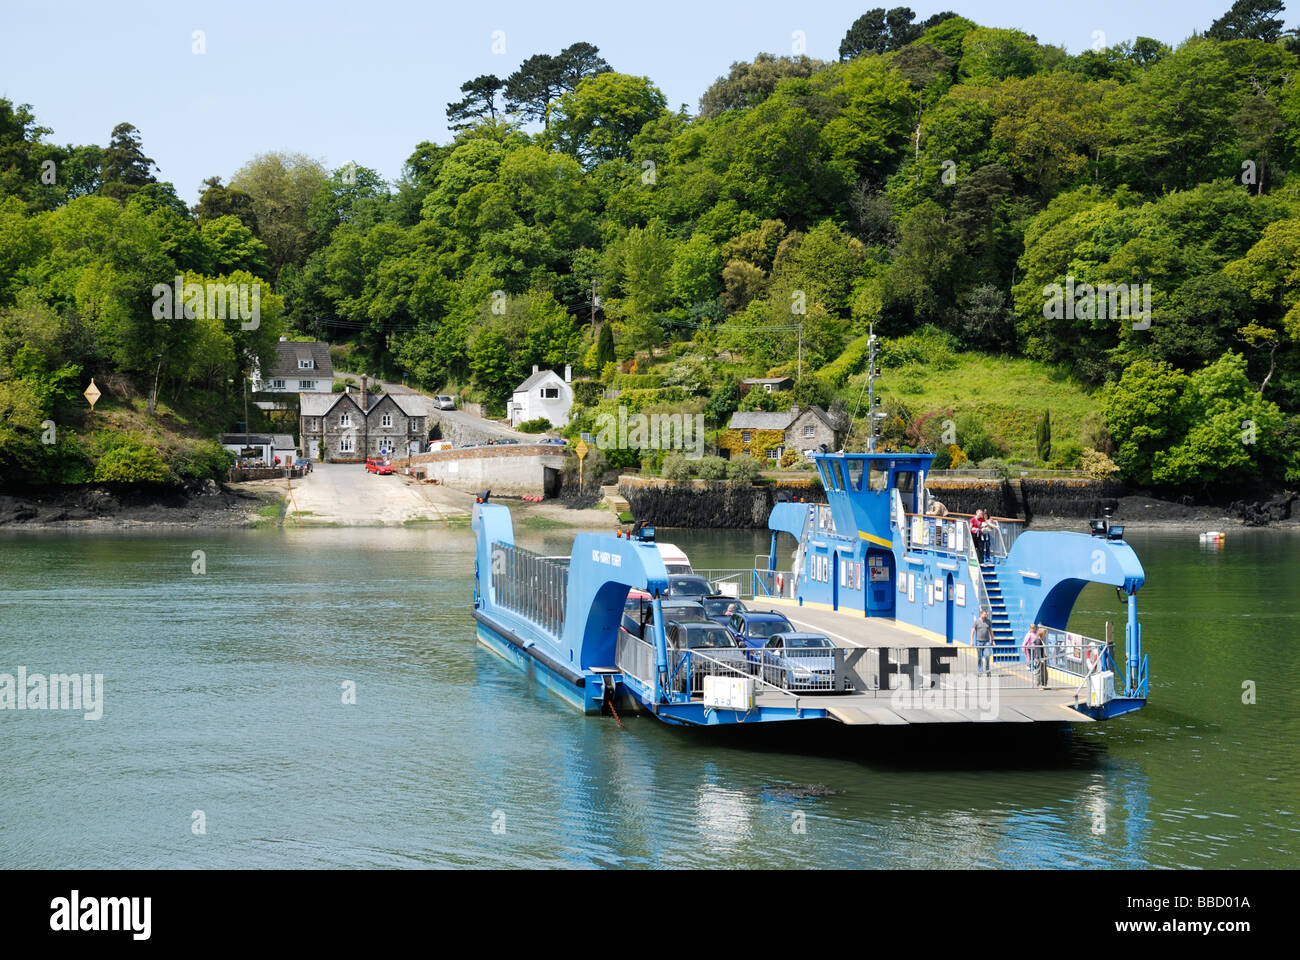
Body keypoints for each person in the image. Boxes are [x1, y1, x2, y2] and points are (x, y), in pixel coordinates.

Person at [971, 609, 994, 677]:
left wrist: (993, 640)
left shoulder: (988, 621)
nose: (985, 615)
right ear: (981, 614)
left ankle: (987, 671)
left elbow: (991, 631)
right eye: (984, 614)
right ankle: (980, 671)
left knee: (987, 656)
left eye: (986, 614)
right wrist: (971, 641)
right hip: (979, 642)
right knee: (979, 657)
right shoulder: (977, 622)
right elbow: (972, 631)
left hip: (987, 642)